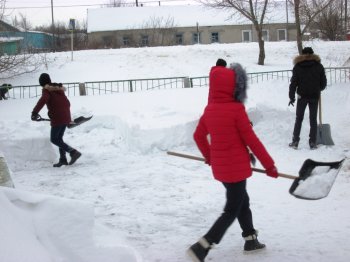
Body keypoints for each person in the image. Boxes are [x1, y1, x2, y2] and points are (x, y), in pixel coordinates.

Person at [187, 59, 278, 262]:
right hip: (236, 169)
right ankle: (204, 245)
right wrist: (269, 165)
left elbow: (198, 136)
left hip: (222, 170)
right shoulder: (236, 110)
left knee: (241, 201)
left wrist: (210, 156)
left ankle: (250, 238)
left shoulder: (209, 110)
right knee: (232, 208)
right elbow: (252, 141)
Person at [31, 73, 81, 167]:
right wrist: (63, 114)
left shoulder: (47, 90)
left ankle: (73, 152)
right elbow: (67, 103)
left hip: (58, 117)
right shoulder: (58, 89)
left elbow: (43, 100)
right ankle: (63, 159)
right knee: (59, 139)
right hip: (65, 116)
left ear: (41, 83)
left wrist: (35, 112)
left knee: (54, 139)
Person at [288, 47, 327, 150]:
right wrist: (318, 89)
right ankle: (313, 142)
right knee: (313, 119)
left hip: (302, 97)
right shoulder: (319, 66)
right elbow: (323, 84)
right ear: (313, 54)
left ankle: (295, 141)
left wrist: (291, 97)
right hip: (314, 96)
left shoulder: (298, 66)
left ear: (302, 55)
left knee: (299, 119)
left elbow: (293, 84)